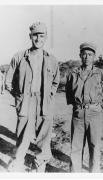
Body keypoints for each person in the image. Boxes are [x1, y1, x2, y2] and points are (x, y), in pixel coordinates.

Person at [5, 22, 60, 172]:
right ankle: (17, 162)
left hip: (43, 102)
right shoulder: (20, 56)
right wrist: (19, 98)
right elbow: (8, 82)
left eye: (41, 35)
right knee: (23, 135)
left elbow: (56, 82)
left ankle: (40, 164)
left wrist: (48, 97)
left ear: (46, 37)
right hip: (26, 102)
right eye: (35, 35)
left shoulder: (52, 60)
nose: (38, 38)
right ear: (30, 36)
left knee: (43, 136)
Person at [66, 42, 103, 172]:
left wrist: (99, 106)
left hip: (95, 113)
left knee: (95, 146)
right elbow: (69, 93)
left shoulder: (100, 73)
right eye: (84, 54)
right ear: (80, 55)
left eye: (90, 54)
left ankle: (94, 173)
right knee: (76, 147)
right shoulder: (73, 74)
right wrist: (76, 106)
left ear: (94, 57)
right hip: (78, 114)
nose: (87, 57)